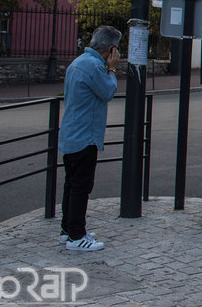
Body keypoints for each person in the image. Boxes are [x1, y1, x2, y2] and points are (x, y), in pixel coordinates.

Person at [58, 25, 121, 251]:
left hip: (71, 133)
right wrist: (112, 70)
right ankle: (76, 236)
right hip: (85, 135)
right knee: (81, 187)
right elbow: (108, 92)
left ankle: (68, 229)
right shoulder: (94, 66)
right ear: (110, 49)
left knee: (71, 184)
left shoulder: (78, 62)